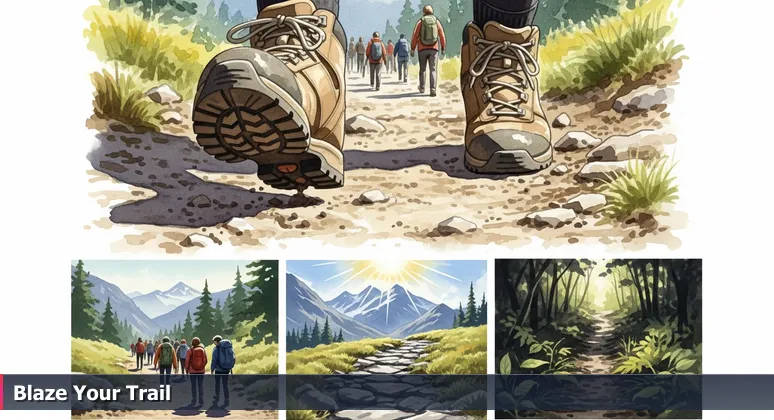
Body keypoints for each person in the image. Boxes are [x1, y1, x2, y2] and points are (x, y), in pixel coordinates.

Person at [410, 5, 446, 97]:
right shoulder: (436, 21)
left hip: (422, 49)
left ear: (424, 12)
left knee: (422, 69)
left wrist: (413, 48)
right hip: (434, 49)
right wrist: (443, 47)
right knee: (433, 69)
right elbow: (441, 35)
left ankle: (422, 87)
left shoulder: (420, 22)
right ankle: (432, 89)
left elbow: (415, 36)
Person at [211, 335, 236, 406]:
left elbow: (214, 360)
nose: (214, 343)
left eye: (214, 342)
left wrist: (212, 369)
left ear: (216, 341)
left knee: (217, 383)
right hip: (226, 369)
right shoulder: (228, 347)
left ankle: (217, 397)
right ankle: (226, 398)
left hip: (218, 369)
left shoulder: (216, 349)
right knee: (225, 384)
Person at [185, 337, 208, 407]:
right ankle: (201, 400)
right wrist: (202, 366)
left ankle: (194, 399)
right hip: (201, 371)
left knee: (193, 385)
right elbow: (206, 360)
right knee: (200, 385)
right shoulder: (203, 350)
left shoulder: (190, 350)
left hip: (192, 371)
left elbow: (187, 361)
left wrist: (187, 369)